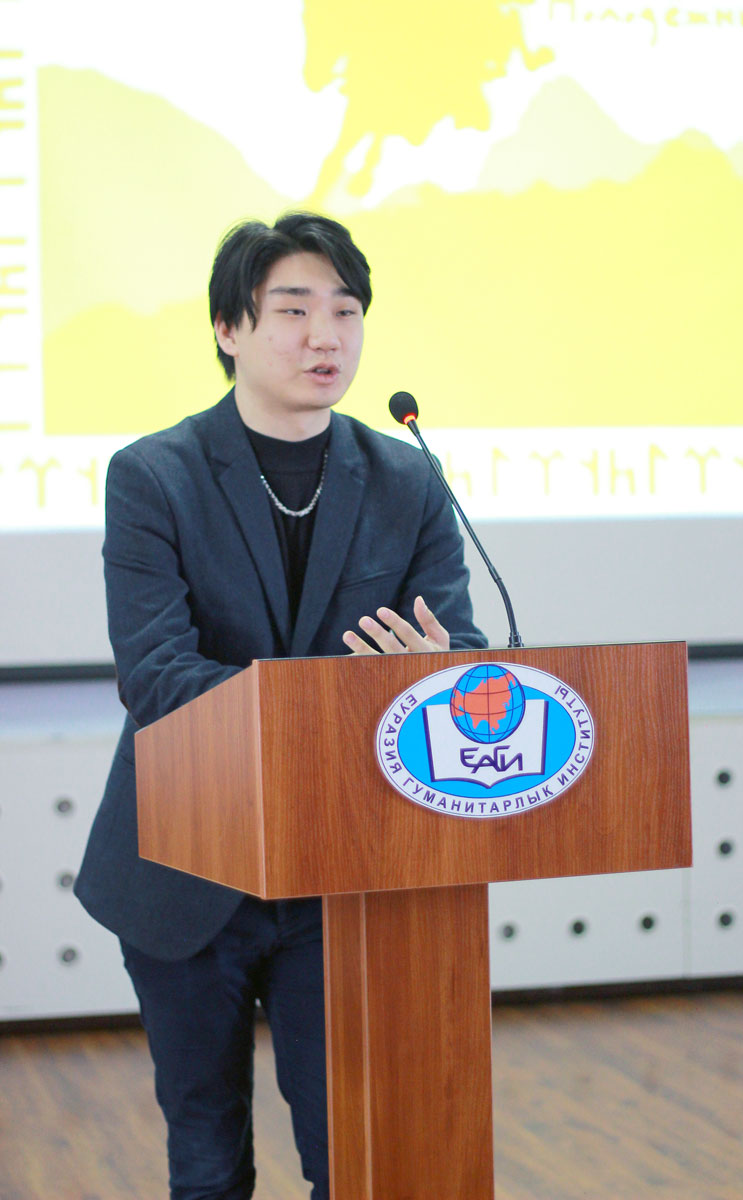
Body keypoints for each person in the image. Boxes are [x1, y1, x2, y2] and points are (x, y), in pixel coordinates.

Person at [75, 212, 486, 1200]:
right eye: (294, 311)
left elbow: (461, 656)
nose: (325, 337)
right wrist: (348, 700)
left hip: (342, 871)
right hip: (187, 857)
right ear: (229, 328)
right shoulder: (154, 476)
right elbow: (158, 677)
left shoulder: (407, 477)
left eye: (345, 312)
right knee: (207, 1149)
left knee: (351, 1149)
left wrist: (439, 672)